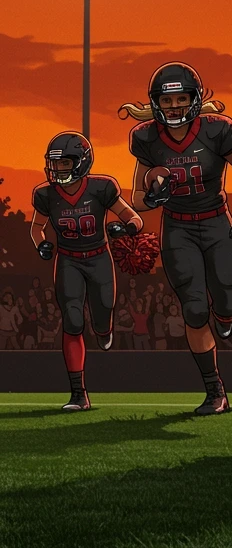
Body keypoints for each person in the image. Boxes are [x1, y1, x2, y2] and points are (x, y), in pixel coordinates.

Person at [122, 62, 232, 414]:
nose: (173, 108)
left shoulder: (217, 130)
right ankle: (216, 391)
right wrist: (151, 197)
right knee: (195, 310)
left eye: (181, 99)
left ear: (194, 99)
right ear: (156, 103)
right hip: (178, 227)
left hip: (216, 220)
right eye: (166, 102)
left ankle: (227, 321)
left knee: (228, 299)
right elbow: (137, 196)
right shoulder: (147, 137)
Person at [29, 131, 142, 410]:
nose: (57, 169)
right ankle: (78, 393)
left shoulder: (101, 188)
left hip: (99, 258)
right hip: (69, 261)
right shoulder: (46, 195)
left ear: (81, 161)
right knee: (73, 321)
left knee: (102, 314)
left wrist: (124, 228)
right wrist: (41, 244)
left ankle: (103, 331)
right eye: (55, 164)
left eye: (64, 163)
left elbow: (134, 218)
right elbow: (36, 227)